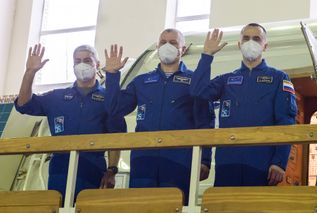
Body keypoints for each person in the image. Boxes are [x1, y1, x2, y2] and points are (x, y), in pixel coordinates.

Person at [103, 29, 212, 204]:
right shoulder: (141, 81)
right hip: (144, 160)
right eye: (163, 42)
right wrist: (112, 76)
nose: (167, 46)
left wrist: (205, 159)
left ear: (183, 49)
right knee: (141, 206)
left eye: (173, 42)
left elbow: (205, 121)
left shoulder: (194, 81)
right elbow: (114, 108)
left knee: (176, 206)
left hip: (180, 161)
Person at [190, 23, 297, 186]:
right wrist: (207, 55)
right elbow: (198, 92)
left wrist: (279, 162)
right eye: (246, 38)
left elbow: (286, 122)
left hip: (262, 164)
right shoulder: (226, 80)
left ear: (265, 45)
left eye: (256, 38)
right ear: (239, 44)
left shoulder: (278, 78)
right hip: (227, 162)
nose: (250, 42)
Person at [15, 44, 126, 200]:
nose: (82, 64)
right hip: (60, 171)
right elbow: (23, 104)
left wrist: (112, 170)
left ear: (97, 64)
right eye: (77, 61)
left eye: (87, 60)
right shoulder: (57, 97)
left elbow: (116, 136)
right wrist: (30, 73)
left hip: (93, 172)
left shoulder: (109, 100)